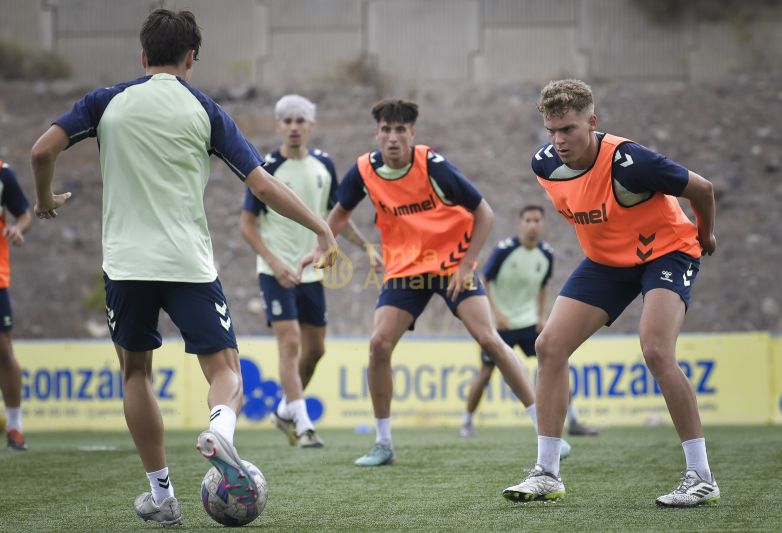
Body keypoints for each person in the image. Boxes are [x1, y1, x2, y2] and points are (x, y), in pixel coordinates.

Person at [31, 9, 336, 526]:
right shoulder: (205, 108)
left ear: (143, 55)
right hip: (188, 262)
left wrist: (44, 201)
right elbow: (262, 185)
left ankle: (162, 494)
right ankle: (220, 426)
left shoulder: (105, 102)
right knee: (224, 369)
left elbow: (42, 151)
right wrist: (322, 228)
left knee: (135, 372)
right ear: (191, 58)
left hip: (126, 264)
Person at [315, 98, 568, 467]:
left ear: (412, 134)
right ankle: (383, 442)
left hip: (451, 265)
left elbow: (484, 212)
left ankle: (546, 433)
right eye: (386, 130)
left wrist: (467, 265)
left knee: (489, 339)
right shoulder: (363, 171)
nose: (393, 137)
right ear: (377, 134)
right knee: (378, 344)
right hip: (405, 271)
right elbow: (337, 216)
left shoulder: (432, 165)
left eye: (400, 130)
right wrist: (319, 245)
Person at [502, 79, 718, 507]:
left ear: (592, 123)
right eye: (552, 130)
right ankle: (546, 473)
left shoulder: (630, 160)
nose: (559, 140)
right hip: (606, 261)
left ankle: (702, 477)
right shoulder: (544, 165)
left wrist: (705, 236)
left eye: (569, 129)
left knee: (656, 350)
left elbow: (703, 189)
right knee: (549, 346)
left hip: (667, 252)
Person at [240, 94, 377, 448]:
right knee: (290, 343)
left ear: (311, 126)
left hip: (313, 272)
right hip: (276, 272)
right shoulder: (265, 167)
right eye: (287, 120)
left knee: (315, 351)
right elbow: (247, 225)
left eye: (300, 120)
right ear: (277, 125)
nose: (294, 126)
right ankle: (304, 426)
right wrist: (273, 263)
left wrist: (365, 247)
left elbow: (334, 218)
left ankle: (286, 409)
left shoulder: (323, 165)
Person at [459, 205, 597, 439]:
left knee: (556, 361)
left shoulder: (546, 253)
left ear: (542, 224)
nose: (532, 225)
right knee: (485, 373)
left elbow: (544, 286)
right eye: (528, 220)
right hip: (501, 326)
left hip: (529, 323)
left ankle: (573, 420)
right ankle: (467, 423)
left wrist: (542, 317)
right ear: (520, 224)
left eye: (537, 220)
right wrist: (496, 314)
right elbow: (484, 280)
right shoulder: (504, 250)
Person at [0, 161, 32, 451]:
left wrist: (18, 229)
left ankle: (14, 426)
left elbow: (24, 214)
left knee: (3, 350)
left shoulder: (3, 173)